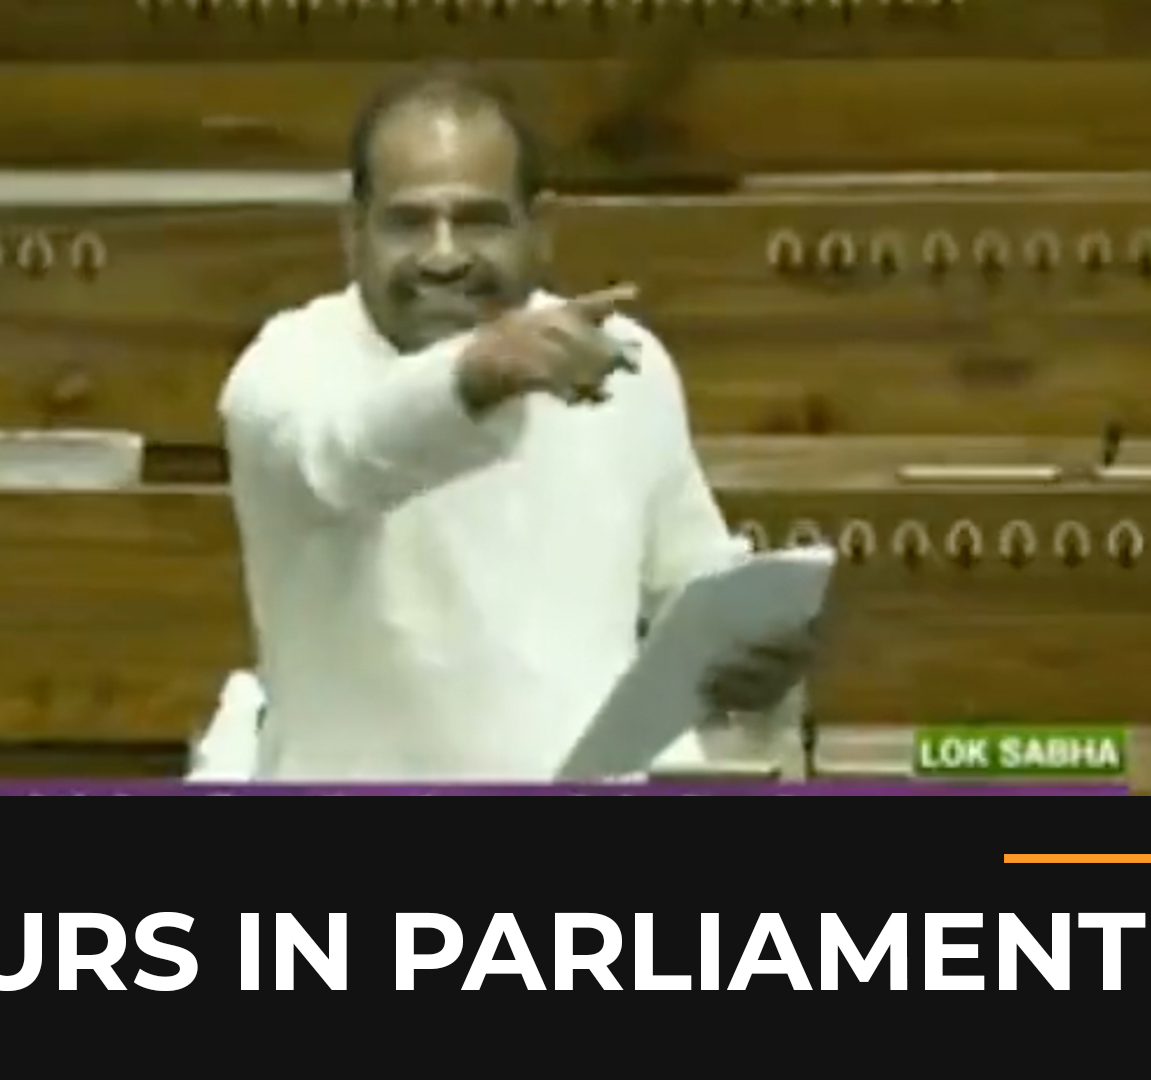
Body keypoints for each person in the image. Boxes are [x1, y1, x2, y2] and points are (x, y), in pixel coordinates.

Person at [217, 67, 821, 781]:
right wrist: (477, 374)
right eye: (410, 222)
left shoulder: (623, 360)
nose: (444, 256)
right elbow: (345, 459)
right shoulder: (288, 367)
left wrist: (752, 653)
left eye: (479, 220)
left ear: (541, 228)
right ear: (353, 232)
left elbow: (690, 585)